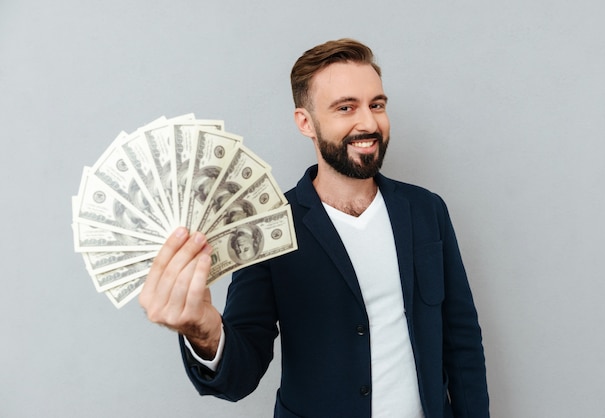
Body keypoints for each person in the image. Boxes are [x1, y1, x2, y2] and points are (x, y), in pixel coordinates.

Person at [139, 38, 489, 418]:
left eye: (377, 105)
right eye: (346, 108)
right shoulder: (267, 227)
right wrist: (203, 330)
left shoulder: (426, 210)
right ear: (305, 122)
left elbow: (462, 341)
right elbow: (240, 376)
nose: (369, 122)